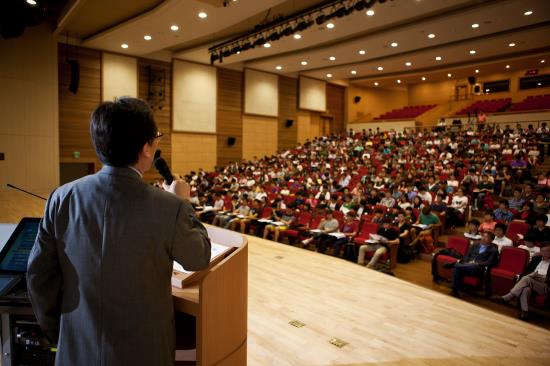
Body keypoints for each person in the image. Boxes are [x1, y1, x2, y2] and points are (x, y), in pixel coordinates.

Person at [26, 98, 212, 365]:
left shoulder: (61, 198)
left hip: (76, 351)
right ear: (146, 148)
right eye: (156, 138)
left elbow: (38, 277)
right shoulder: (169, 207)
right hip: (144, 354)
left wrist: (64, 334)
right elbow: (198, 256)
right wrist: (183, 201)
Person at [494, 244, 550, 320]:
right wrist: (532, 275)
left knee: (526, 279)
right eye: (543, 251)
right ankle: (525, 312)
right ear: (540, 251)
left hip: (545, 285)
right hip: (531, 280)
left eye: (547, 251)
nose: (545, 253)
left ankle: (508, 297)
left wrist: (543, 278)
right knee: (526, 289)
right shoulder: (536, 259)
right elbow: (526, 271)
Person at [446, 232, 499, 298]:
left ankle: (455, 264)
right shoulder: (475, 245)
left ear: (491, 240)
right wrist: (467, 262)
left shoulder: (493, 250)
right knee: (457, 269)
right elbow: (467, 255)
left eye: (486, 237)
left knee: (473, 265)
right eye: (483, 236)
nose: (483, 238)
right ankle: (455, 291)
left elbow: (490, 262)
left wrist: (477, 263)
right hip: (467, 266)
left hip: (479, 269)